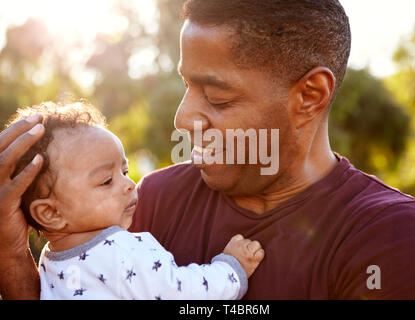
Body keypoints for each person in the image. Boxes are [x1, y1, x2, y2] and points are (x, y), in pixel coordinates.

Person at [0, 0, 415, 300]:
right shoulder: (147, 201)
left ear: (309, 96)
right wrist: (10, 252)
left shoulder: (391, 240)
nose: (183, 118)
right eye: (187, 85)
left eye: (216, 96)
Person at [3, 102, 264, 300]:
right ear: (50, 213)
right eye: (106, 181)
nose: (129, 184)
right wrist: (231, 268)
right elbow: (181, 291)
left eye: (125, 172)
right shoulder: (123, 250)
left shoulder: (51, 263)